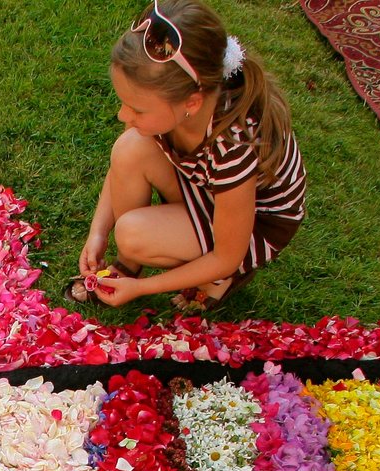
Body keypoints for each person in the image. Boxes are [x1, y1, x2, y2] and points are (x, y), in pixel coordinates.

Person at [69, 0, 306, 314]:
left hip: (253, 226)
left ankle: (222, 278)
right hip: (208, 187)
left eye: (137, 109)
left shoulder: (233, 147)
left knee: (132, 232)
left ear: (191, 103)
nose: (122, 114)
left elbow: (227, 253)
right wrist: (98, 232)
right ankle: (129, 263)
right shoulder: (178, 105)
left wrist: (141, 290)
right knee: (129, 146)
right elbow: (122, 166)